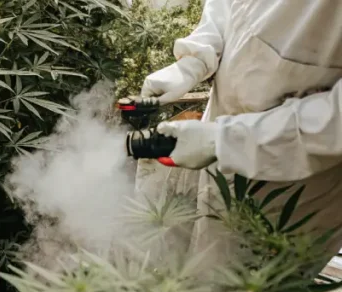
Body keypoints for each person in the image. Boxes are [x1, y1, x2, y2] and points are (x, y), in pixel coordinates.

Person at [140, 0, 342, 264]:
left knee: (225, 290)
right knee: (174, 260)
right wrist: (194, 60)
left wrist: (227, 141)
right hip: (216, 122)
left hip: (292, 170)